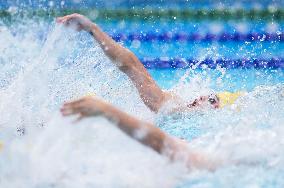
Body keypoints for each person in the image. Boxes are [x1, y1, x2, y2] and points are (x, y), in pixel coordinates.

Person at [58, 14, 240, 170]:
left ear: (218, 112)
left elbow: (159, 142)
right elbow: (131, 66)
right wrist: (93, 29)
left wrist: (104, 110)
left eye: (212, 100)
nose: (202, 97)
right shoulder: (171, 107)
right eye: (207, 94)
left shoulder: (207, 147)